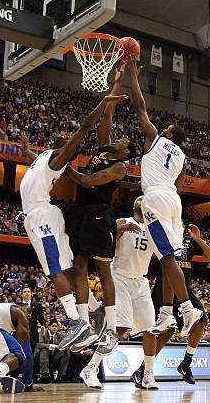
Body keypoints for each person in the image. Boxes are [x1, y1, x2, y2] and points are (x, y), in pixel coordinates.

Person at [19, 93, 126, 351]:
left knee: (55, 270)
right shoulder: (45, 156)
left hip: (42, 215)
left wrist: (103, 102)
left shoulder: (59, 158)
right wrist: (26, 151)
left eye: (68, 141)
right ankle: (95, 310)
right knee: (68, 270)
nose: (65, 137)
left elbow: (86, 127)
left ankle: (77, 323)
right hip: (43, 215)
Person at [126, 59, 203, 337]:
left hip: (156, 198)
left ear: (169, 133)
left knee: (167, 259)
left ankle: (187, 309)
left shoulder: (155, 137)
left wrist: (133, 76)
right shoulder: (182, 159)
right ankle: (167, 314)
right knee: (167, 256)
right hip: (173, 201)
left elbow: (140, 108)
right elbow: (180, 187)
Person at [63, 66, 136, 354]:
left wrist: (59, 165)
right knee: (79, 267)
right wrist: (116, 85)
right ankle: (83, 323)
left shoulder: (119, 167)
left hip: (99, 214)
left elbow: (88, 180)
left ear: (126, 152)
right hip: (82, 212)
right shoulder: (103, 151)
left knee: (103, 269)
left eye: (124, 142)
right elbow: (107, 115)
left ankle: (112, 328)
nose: (119, 139)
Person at [79, 196, 156, 389]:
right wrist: (121, 229)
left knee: (150, 330)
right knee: (120, 329)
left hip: (140, 281)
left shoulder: (154, 228)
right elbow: (105, 236)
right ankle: (91, 368)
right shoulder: (123, 221)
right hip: (119, 277)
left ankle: (148, 375)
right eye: (139, 199)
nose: (142, 200)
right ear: (134, 206)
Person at [131, 222, 210, 389]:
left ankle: (186, 362)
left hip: (185, 289)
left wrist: (198, 239)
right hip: (164, 287)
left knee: (203, 320)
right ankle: (143, 369)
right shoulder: (164, 236)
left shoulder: (189, 241)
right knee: (162, 331)